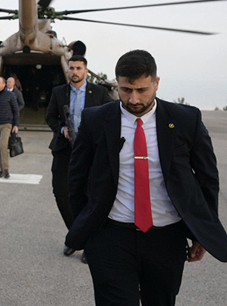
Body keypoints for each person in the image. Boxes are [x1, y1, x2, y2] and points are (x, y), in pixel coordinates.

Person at [66, 50, 227, 306]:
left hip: (167, 240)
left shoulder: (186, 120)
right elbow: (76, 179)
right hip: (111, 239)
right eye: (126, 89)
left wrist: (202, 232)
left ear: (157, 83)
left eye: (141, 90)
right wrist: (87, 229)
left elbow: (208, 179)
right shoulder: (96, 120)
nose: (133, 98)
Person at [45, 55, 110, 260]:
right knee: (61, 191)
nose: (74, 71)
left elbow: (110, 117)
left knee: (91, 195)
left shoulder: (99, 93)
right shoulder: (58, 92)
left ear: (86, 70)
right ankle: (76, 234)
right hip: (64, 148)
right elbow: (50, 117)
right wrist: (62, 128)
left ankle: (87, 241)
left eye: (78, 68)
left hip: (90, 150)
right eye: (71, 68)